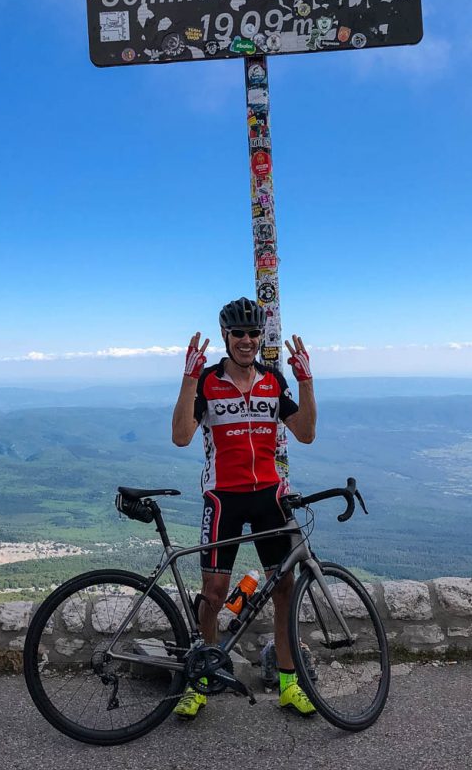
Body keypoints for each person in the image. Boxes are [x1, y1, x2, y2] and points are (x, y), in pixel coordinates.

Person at [171, 296, 318, 720]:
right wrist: (187, 378)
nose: (247, 340)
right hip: (224, 499)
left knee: (284, 589)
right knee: (214, 595)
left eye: (253, 333)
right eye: (239, 333)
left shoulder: (273, 381)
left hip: (270, 495)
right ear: (226, 336)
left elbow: (305, 433)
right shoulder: (209, 382)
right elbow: (181, 436)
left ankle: (289, 684)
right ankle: (201, 679)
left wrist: (306, 382)